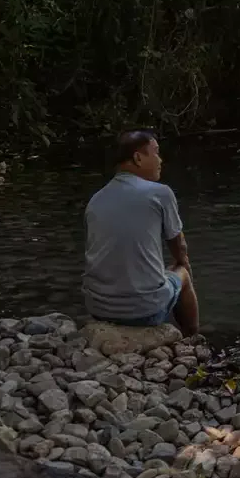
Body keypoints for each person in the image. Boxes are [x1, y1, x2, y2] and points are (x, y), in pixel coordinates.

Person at [83, 130, 200, 336]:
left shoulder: (95, 200)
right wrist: (184, 264)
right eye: (156, 153)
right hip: (143, 312)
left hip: (98, 308)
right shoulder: (160, 193)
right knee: (182, 272)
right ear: (138, 158)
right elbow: (179, 246)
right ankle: (193, 340)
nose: (160, 160)